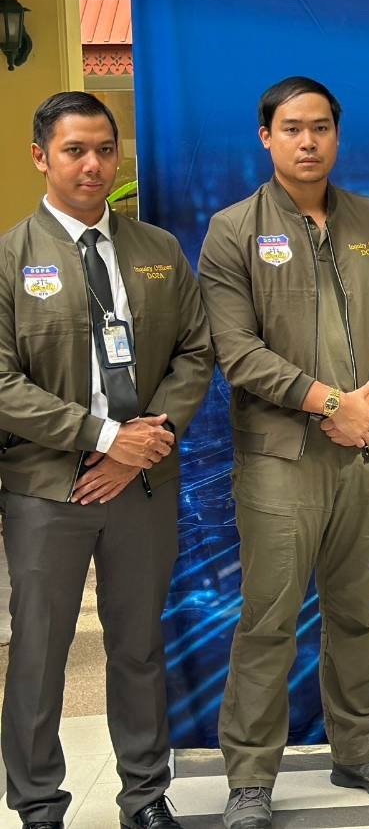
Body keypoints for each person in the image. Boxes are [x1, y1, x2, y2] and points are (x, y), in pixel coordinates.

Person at [198, 77, 369, 829]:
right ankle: (249, 779)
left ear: (337, 135)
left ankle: (359, 752)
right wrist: (331, 403)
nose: (308, 141)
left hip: (367, 450)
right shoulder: (233, 229)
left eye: (320, 127)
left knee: (358, 615)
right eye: (292, 128)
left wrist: (367, 408)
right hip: (280, 460)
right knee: (267, 621)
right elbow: (237, 352)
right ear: (266, 136)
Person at [0, 92, 214, 829]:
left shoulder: (158, 251)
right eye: (74, 151)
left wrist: (143, 444)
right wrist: (100, 437)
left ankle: (145, 797)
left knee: (138, 646)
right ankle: (38, 806)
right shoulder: (9, 259)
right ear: (40, 157)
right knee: (38, 652)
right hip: (45, 488)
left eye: (104, 149)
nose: (92, 165)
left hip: (142, 484)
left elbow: (195, 352)